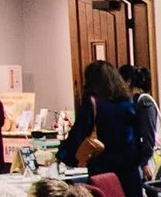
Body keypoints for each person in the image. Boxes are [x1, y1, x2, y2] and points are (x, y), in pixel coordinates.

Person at [58, 59, 151, 187]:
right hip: (129, 168)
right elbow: (137, 133)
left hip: (104, 167)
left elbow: (79, 133)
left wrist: (62, 155)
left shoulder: (92, 102)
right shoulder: (127, 102)